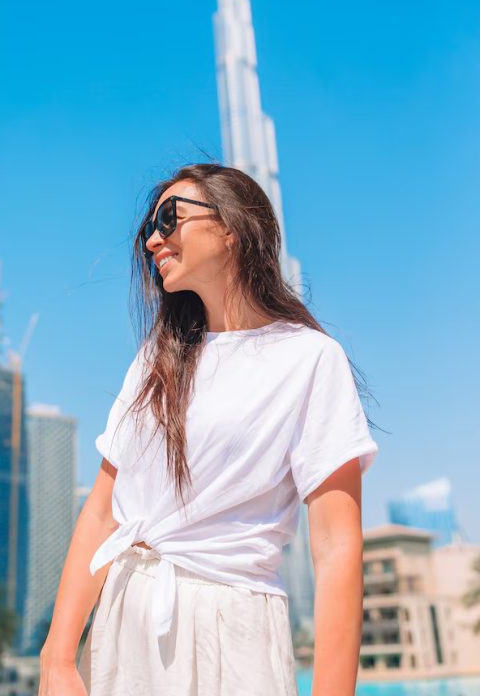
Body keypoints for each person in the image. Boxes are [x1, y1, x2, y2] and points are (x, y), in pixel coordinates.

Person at [39, 162, 379, 695]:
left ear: (231, 227)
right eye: (149, 227)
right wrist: (57, 660)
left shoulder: (310, 359)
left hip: (231, 628)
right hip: (123, 620)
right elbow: (104, 512)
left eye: (169, 218)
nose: (153, 239)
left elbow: (336, 547)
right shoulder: (157, 358)